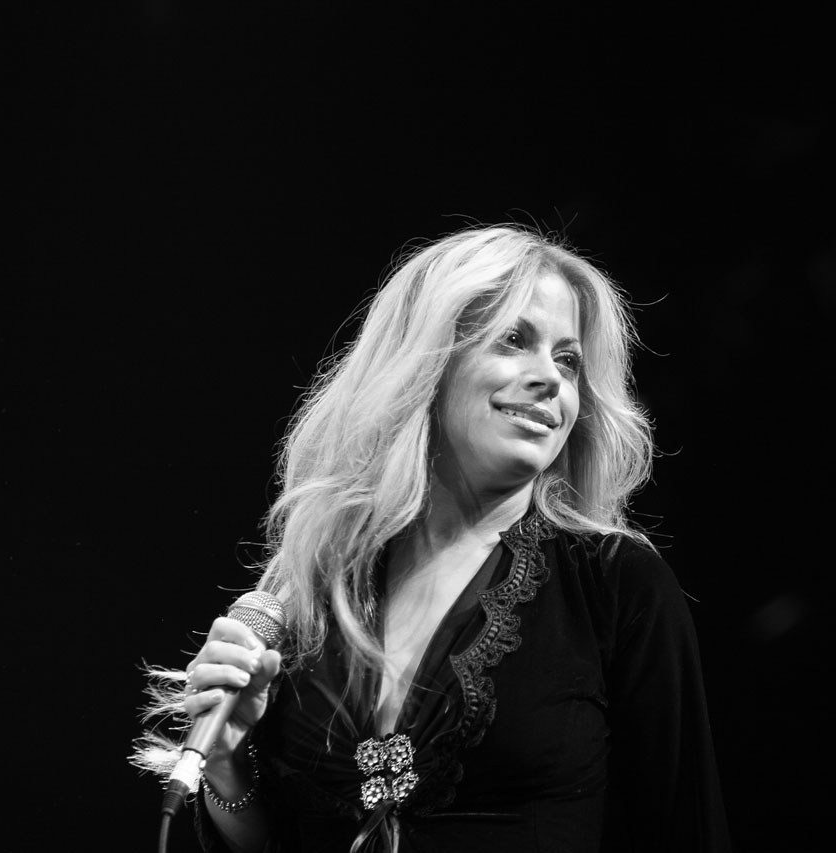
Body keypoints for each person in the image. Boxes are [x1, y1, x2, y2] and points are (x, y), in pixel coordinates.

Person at [133, 225, 731, 852]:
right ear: (428, 362)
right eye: (514, 340)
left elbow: (684, 825)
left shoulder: (614, 582)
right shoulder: (314, 593)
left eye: (569, 361)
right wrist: (228, 765)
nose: (550, 379)